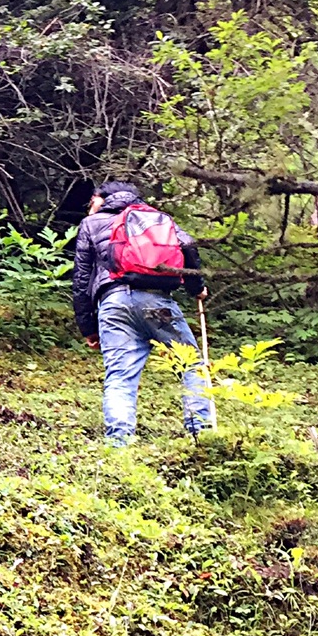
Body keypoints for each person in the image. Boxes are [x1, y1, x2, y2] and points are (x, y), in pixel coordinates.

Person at [72, 180, 213, 445]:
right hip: (158, 301)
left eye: (93, 200)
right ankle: (201, 433)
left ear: (103, 199)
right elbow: (188, 249)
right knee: (192, 365)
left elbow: (81, 279)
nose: (90, 205)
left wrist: (88, 328)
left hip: (113, 304)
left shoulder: (91, 224)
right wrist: (197, 289)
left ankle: (119, 443)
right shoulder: (157, 218)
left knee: (120, 376)